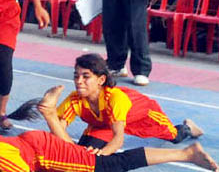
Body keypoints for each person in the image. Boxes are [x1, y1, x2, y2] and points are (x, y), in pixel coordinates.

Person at [0, 98, 217, 172]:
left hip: (47, 152)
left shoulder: (11, 166)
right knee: (81, 156)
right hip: (36, 144)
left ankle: (186, 152)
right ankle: (52, 115)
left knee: (111, 164)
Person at [39, 53, 203, 156]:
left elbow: (118, 138)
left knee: (173, 136)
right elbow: (58, 130)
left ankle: (187, 128)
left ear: (101, 80)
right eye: (76, 76)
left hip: (143, 114)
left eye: (85, 77)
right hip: (105, 124)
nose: (78, 81)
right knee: (86, 153)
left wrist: (104, 153)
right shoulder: (75, 99)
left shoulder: (116, 99)